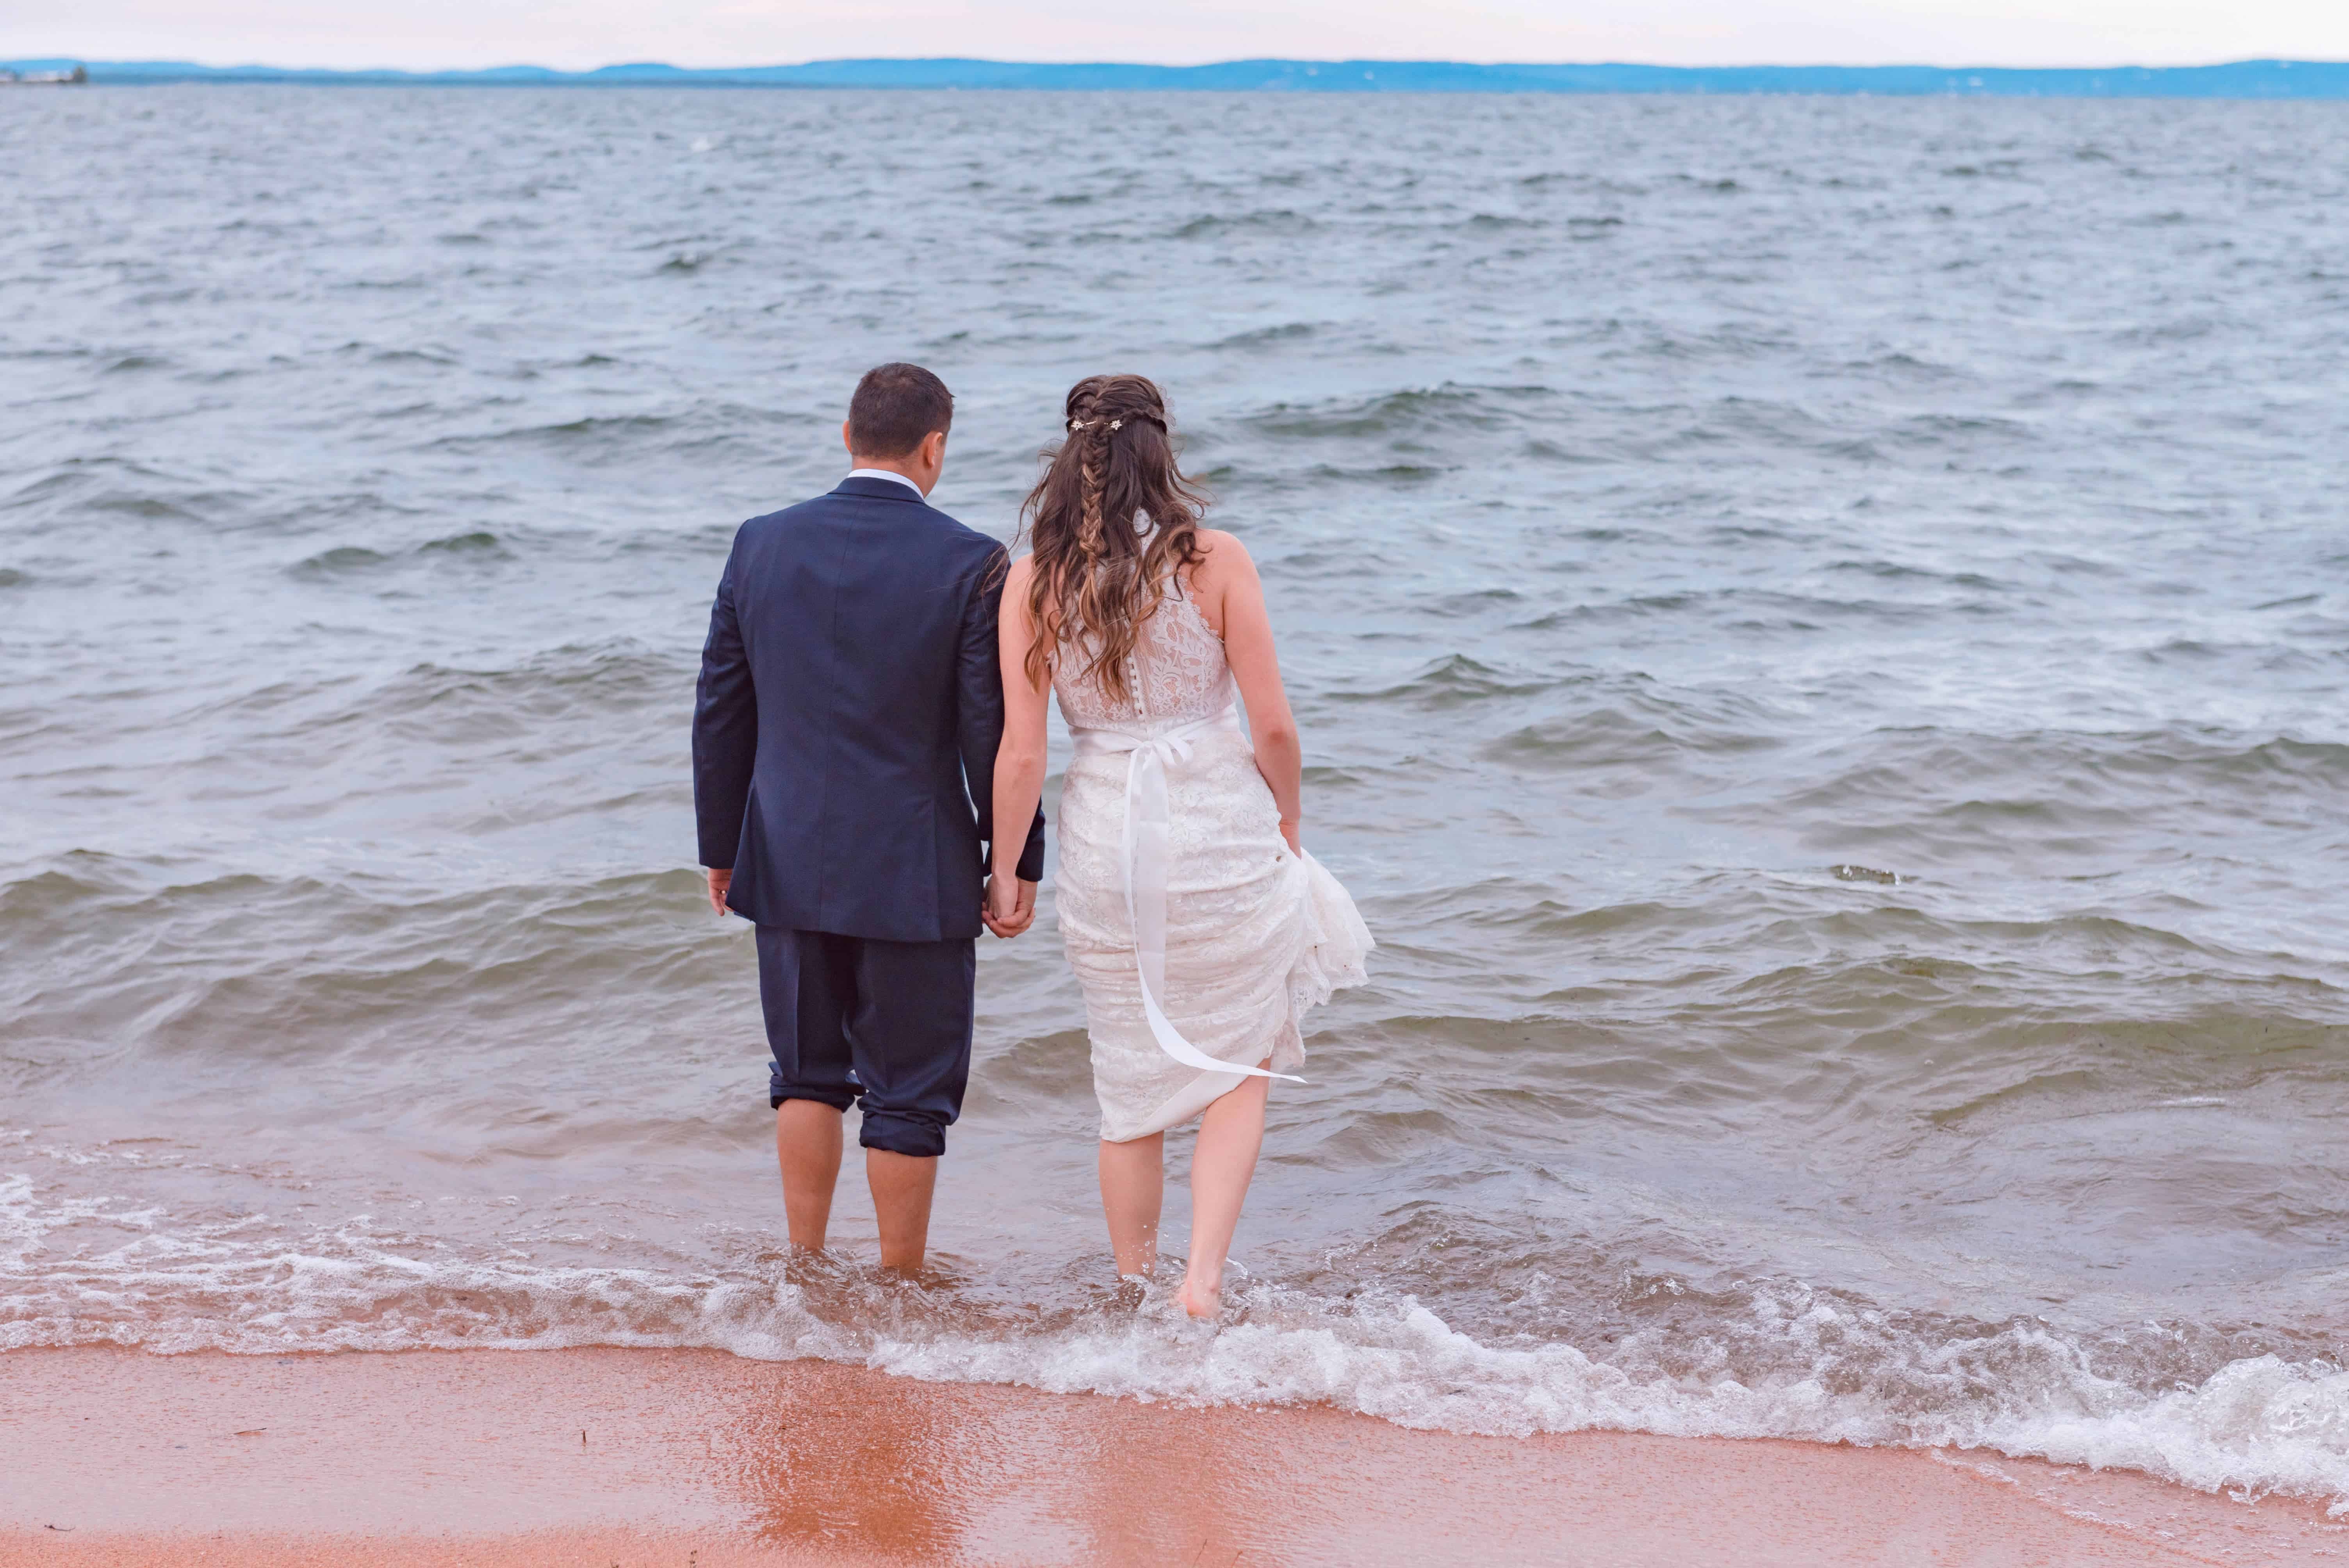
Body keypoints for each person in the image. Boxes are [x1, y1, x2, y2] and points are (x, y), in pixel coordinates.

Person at [989, 374, 1372, 1319]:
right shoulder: (1213, 559)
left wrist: (1004, 872)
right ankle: (1199, 1280)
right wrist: (1288, 819)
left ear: (1071, 461)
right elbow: (1273, 727)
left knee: (1128, 1084)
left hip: (1106, 837)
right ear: (1161, 454)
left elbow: (1023, 750)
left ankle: (1131, 1288)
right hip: (1217, 832)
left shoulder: (1035, 579)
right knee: (1239, 1063)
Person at [693, 362, 1045, 1276]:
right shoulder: (971, 562)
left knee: (804, 1074)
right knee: (909, 1095)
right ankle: (899, 1286)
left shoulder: (759, 543)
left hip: (785, 850)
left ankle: (802, 1271)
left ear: (846, 438)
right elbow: (989, 732)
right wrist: (1014, 861)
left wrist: (720, 846)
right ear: (934, 448)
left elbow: (722, 708)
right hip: (912, 863)